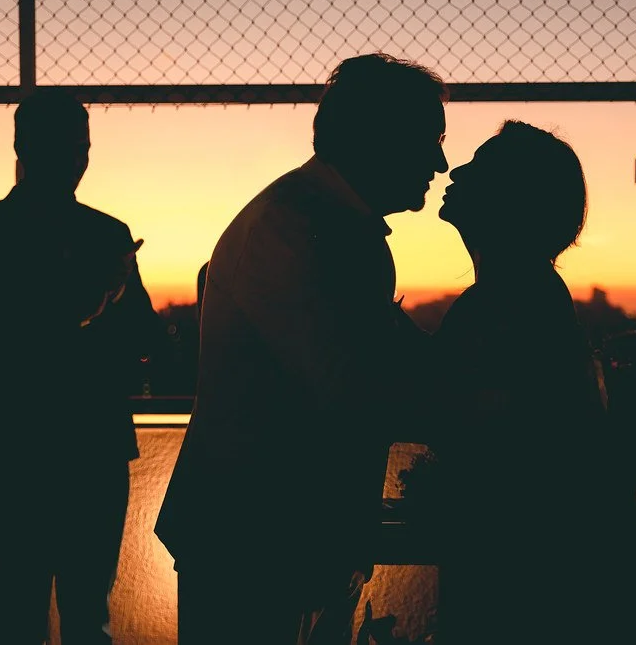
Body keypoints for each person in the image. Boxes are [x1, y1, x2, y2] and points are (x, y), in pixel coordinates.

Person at [154, 52, 449, 645]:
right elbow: (352, 386)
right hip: (254, 541)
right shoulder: (295, 231)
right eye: (429, 140)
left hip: (274, 536)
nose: (440, 164)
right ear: (380, 137)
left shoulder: (317, 224)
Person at [431, 120, 636, 644]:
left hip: (525, 585)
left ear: (509, 200)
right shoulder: (528, 293)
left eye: (481, 167)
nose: (457, 170)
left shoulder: (504, 303)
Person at [0, 88, 162, 644]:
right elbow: (141, 336)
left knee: (20, 609)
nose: (77, 162)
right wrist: (98, 303)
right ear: (25, 147)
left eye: (82, 148)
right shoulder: (107, 235)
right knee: (85, 613)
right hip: (90, 445)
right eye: (70, 148)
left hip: (19, 446)